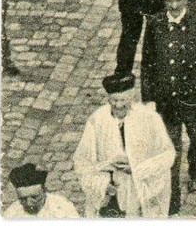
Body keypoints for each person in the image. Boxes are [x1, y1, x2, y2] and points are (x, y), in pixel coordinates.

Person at [140, 0, 196, 213]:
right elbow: (148, 63)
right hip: (167, 101)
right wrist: (148, 98)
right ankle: (172, 200)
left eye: (178, 0)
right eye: (169, 1)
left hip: (194, 99)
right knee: (171, 148)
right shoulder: (154, 25)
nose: (174, 6)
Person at [72, 71, 174, 217]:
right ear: (108, 99)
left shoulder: (150, 118)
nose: (118, 105)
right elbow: (82, 160)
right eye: (114, 100)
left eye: (123, 100)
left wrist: (137, 168)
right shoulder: (97, 120)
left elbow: (168, 154)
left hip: (140, 191)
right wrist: (101, 186)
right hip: (110, 193)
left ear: (131, 97)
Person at [3, 163, 79, 218]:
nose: (29, 204)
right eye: (23, 199)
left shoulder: (64, 209)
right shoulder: (11, 214)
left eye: (34, 197)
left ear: (44, 190)